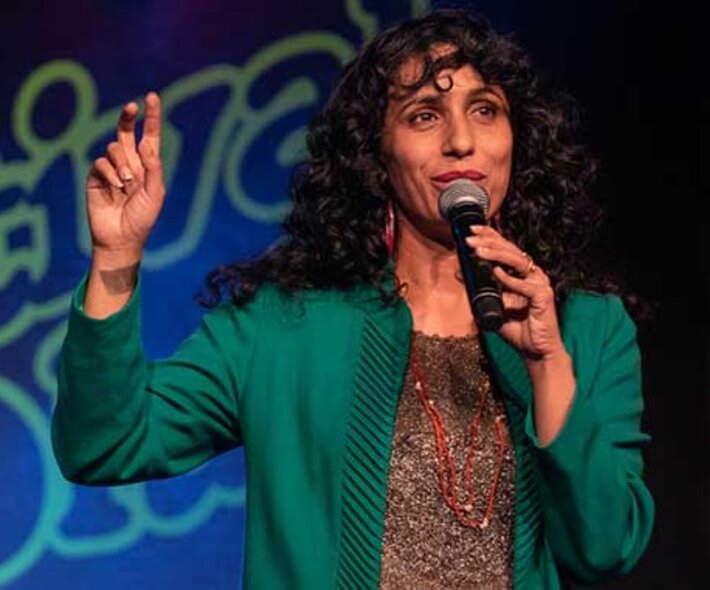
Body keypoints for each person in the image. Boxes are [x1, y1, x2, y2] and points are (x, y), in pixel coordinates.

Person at [53, 9, 654, 589]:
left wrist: (548, 367)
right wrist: (115, 257)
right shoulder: (282, 327)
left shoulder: (586, 330)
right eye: (424, 116)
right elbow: (104, 445)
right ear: (376, 156)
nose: (462, 141)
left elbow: (606, 550)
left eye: (485, 110)